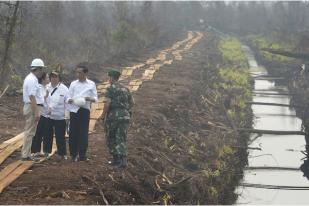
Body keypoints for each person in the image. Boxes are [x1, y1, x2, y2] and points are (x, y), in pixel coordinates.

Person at [101, 69, 134, 168]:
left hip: (113, 117)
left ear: (111, 78)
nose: (108, 79)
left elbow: (107, 103)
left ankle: (117, 160)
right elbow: (132, 103)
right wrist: (125, 110)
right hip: (125, 115)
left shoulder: (110, 89)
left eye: (109, 77)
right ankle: (123, 160)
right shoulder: (126, 88)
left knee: (112, 137)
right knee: (122, 137)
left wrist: (103, 116)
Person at [67, 64, 98, 162]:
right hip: (74, 110)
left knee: (83, 132)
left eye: (80, 72)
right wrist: (70, 100)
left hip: (85, 110)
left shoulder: (91, 84)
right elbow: (68, 96)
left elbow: (96, 98)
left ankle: (82, 155)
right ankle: (73, 154)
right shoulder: (73, 84)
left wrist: (89, 98)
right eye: (77, 72)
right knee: (73, 132)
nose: (78, 74)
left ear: (85, 73)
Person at [21, 58, 45, 161]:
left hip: (32, 106)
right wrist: (36, 112)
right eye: (42, 69)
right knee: (29, 132)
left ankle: (26, 154)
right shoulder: (32, 79)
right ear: (38, 69)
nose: (42, 72)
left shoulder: (32, 78)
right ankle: (25, 155)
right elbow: (32, 97)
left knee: (30, 131)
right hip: (32, 107)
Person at [44, 71, 69, 160]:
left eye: (56, 77)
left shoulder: (64, 89)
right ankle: (46, 152)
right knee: (47, 134)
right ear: (50, 78)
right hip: (48, 116)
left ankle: (62, 153)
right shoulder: (46, 87)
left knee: (60, 136)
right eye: (52, 77)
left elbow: (67, 103)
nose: (54, 79)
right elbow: (43, 100)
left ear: (59, 78)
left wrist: (67, 116)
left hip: (60, 116)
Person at [31, 72, 49, 157]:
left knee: (41, 131)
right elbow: (39, 100)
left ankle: (38, 150)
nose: (49, 79)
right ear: (43, 79)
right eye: (47, 77)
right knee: (36, 131)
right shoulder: (39, 87)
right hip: (39, 111)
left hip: (45, 113)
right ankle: (33, 151)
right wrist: (46, 95)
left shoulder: (46, 87)